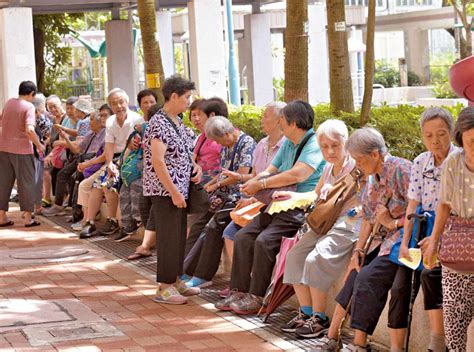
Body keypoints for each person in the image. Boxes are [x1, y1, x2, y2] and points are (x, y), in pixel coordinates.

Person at [215, 100, 325, 315]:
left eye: (282, 120)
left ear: (293, 123)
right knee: (244, 236)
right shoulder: (288, 142)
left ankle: (257, 297)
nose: (279, 123)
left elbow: (298, 174)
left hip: (299, 208)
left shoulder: (313, 143)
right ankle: (239, 291)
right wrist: (253, 183)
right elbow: (271, 169)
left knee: (264, 242)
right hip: (276, 204)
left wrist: (262, 183)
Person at [317, 127, 412, 352]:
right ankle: (333, 336)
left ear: (375, 154)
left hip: (401, 239)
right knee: (355, 272)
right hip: (379, 242)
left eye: (359, 160)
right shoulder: (371, 178)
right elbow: (369, 219)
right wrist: (358, 252)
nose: (357, 165)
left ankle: (359, 342)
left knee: (367, 277)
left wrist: (392, 222)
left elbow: (420, 210)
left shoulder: (401, 170)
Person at [281, 119, 362, 338]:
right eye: (325, 146)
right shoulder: (327, 168)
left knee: (315, 259)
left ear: (346, 142)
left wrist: (358, 211)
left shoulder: (357, 167)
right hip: (325, 220)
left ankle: (320, 318)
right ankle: (306, 313)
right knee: (294, 255)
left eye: (335, 145)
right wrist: (292, 196)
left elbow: (370, 200)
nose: (330, 151)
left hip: (349, 221)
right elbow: (315, 195)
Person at [397, 107, 456, 352]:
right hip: (424, 228)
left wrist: (436, 238)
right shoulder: (421, 161)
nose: (435, 141)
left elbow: (453, 206)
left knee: (429, 274)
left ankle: (437, 342)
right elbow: (413, 203)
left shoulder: (461, 160)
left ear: (452, 133)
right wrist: (405, 241)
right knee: (400, 283)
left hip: (453, 229)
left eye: (441, 134)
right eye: (429, 135)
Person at [143, 75, 202, 304]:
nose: (189, 102)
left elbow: (186, 154)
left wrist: (195, 167)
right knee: (168, 238)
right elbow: (158, 161)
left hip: (180, 189)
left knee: (178, 236)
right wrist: (174, 192)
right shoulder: (158, 123)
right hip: (165, 191)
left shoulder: (177, 122)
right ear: (174, 96)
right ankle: (164, 287)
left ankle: (176, 280)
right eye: (187, 97)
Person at [183, 115, 256, 288]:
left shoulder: (247, 143)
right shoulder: (226, 146)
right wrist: (209, 185)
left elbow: (241, 174)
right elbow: (223, 173)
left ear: (226, 133)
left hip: (239, 197)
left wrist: (216, 185)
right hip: (222, 197)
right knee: (198, 225)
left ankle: (203, 275)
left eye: (218, 140)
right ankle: (186, 270)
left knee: (214, 226)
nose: (219, 145)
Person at [424, 106, 474, 352]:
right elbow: (443, 205)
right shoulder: (453, 162)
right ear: (461, 139)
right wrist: (434, 242)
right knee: (454, 324)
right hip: (457, 250)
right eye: (472, 142)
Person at [79, 88, 143, 238]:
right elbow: (109, 145)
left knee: (108, 185)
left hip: (131, 158)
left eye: (121, 102)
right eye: (114, 104)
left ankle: (112, 220)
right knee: (96, 184)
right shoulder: (110, 121)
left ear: (127, 102)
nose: (119, 106)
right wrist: (109, 164)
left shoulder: (137, 119)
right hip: (114, 158)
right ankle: (90, 222)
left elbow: (132, 146)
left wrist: (117, 164)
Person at [114, 89, 157, 242]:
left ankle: (140, 223)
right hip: (135, 165)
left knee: (136, 186)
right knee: (124, 188)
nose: (149, 105)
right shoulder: (137, 124)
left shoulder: (159, 120)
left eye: (152, 102)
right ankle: (128, 226)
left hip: (149, 167)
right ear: (140, 105)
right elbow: (129, 144)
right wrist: (131, 143)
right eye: (145, 102)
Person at [0, 81, 44, 227]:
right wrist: (39, 145)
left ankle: (1, 216)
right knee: (27, 182)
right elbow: (30, 130)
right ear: (31, 93)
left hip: (4, 148)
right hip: (22, 150)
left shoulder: (9, 103)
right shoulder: (29, 107)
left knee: (4, 182)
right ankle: (27, 217)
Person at [71, 104, 112, 231]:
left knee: (89, 184)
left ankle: (91, 219)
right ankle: (87, 219)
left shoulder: (108, 131)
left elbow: (103, 157)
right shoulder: (94, 133)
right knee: (80, 181)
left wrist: (86, 164)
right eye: (101, 116)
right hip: (100, 165)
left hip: (106, 165)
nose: (103, 118)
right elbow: (77, 149)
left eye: (105, 115)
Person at [31, 93, 52, 216]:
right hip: (37, 150)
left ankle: (38, 205)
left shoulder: (43, 119)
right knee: (35, 178)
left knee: (38, 177)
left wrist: (41, 145)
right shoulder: (34, 118)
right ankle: (35, 205)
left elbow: (48, 137)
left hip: (40, 151)